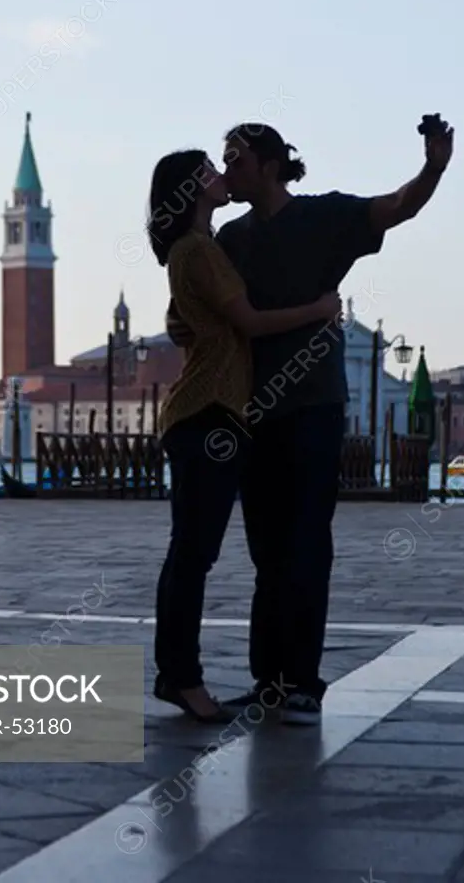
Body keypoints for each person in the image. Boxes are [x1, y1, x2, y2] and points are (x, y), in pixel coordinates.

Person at [166, 118, 454, 725]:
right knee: (266, 550)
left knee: (306, 545)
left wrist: (433, 166)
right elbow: (182, 316)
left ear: (270, 165)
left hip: (314, 407)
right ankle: (268, 683)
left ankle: (300, 683)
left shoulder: (326, 217)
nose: (226, 170)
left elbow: (397, 207)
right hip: (250, 415)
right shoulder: (228, 240)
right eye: (222, 161)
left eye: (236, 159)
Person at [148, 149, 342, 723]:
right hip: (208, 413)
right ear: (190, 189)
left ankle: (181, 676)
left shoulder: (201, 249)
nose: (220, 173)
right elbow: (251, 322)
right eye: (209, 168)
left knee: (194, 551)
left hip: (216, 412)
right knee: (194, 554)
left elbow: (182, 319)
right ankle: (181, 678)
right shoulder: (201, 250)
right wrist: (320, 308)